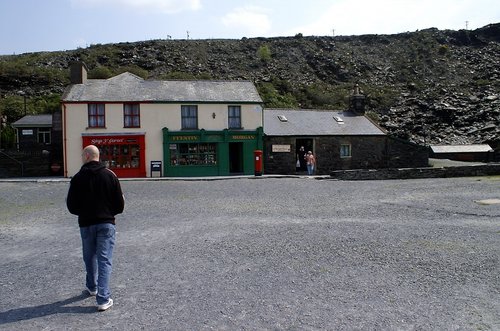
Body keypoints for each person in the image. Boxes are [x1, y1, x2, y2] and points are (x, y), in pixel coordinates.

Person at [67, 145, 124, 312]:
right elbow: (120, 205)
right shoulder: (110, 175)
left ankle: (92, 287)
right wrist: (108, 213)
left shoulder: (77, 178)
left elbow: (71, 206)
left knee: (89, 256)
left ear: (86, 156)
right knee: (104, 260)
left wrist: (83, 212)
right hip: (106, 223)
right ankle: (103, 299)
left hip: (86, 223)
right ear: (98, 157)